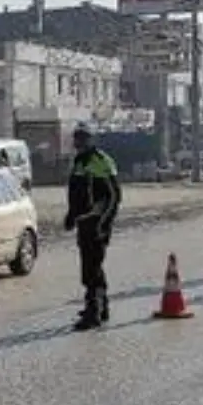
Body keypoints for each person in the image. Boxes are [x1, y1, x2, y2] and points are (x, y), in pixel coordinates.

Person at [63, 123, 122, 330]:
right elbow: (76, 193)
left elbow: (114, 197)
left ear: (91, 139)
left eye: (83, 138)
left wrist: (103, 224)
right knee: (91, 266)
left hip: (97, 223)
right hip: (84, 222)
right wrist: (71, 216)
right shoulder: (79, 161)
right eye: (76, 138)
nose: (78, 142)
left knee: (91, 268)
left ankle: (93, 312)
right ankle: (101, 306)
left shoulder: (100, 160)